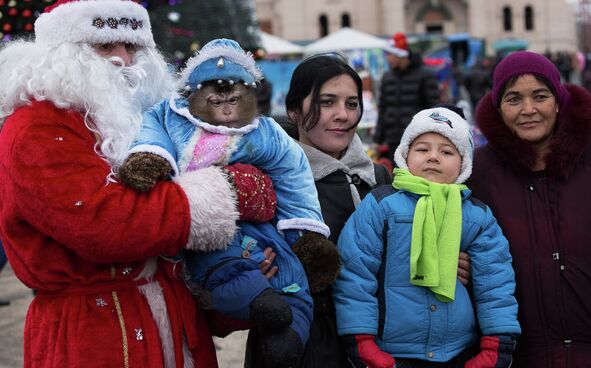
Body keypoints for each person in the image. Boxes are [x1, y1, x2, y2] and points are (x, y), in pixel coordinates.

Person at [0, 1, 277, 366]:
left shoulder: (148, 119)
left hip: (174, 319)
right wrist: (226, 191)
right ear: (59, 53)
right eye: (104, 45)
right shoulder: (36, 127)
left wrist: (234, 276)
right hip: (92, 334)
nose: (124, 60)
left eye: (133, 47)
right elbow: (105, 225)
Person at [120, 37, 338, 368]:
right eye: (214, 98)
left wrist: (305, 234)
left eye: (234, 98)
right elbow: (153, 134)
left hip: (260, 230)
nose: (225, 107)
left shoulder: (263, 130)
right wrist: (152, 158)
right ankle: (259, 302)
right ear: (193, 93)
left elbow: (292, 172)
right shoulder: (170, 116)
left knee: (291, 271)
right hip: (202, 234)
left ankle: (291, 332)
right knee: (223, 269)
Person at [246, 54, 474, 368]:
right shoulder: (268, 181)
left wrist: (448, 260)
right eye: (327, 102)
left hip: (373, 343)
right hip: (299, 343)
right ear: (294, 109)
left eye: (352, 104)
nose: (342, 115)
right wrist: (253, 270)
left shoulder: (381, 178)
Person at [470, 50, 591, 367]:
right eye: (514, 99)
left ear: (558, 100)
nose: (528, 110)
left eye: (540, 96)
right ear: (499, 108)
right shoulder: (478, 174)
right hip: (516, 357)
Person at [332, 105, 520, 368]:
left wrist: (497, 343)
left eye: (446, 151)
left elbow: (495, 283)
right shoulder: (381, 205)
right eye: (422, 149)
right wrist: (360, 339)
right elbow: (354, 272)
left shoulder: (477, 216)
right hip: (392, 352)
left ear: (464, 163)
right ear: (405, 154)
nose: (433, 157)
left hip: (458, 351)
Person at [374, 32, 440, 165]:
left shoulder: (425, 74)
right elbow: (383, 109)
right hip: (393, 140)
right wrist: (378, 138)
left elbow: (433, 108)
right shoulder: (387, 77)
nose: (388, 59)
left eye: (390, 54)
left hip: (416, 139)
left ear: (400, 54)